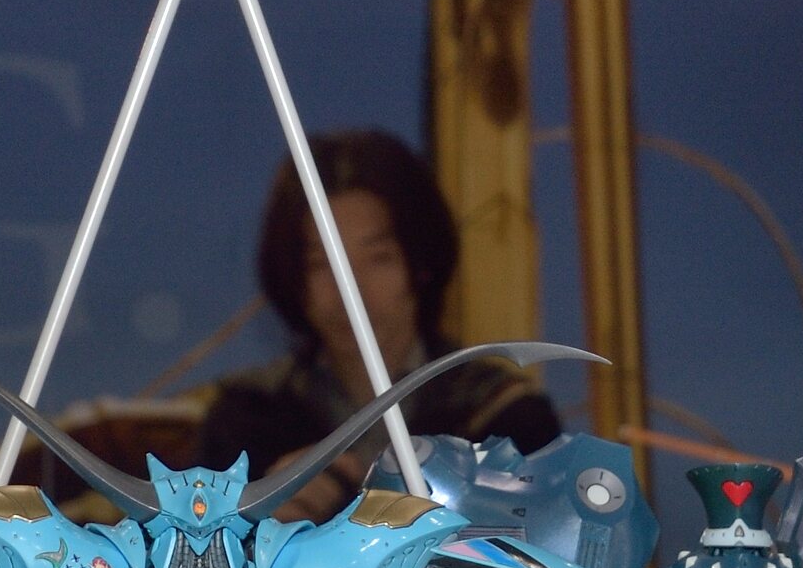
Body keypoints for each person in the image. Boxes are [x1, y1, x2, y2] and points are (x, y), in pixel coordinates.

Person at [190, 126, 560, 513]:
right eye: (322, 264)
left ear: (420, 264)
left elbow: (550, 543)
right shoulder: (246, 424)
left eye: (378, 259)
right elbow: (192, 544)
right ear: (294, 279)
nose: (350, 289)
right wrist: (257, 522)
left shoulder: (504, 419)